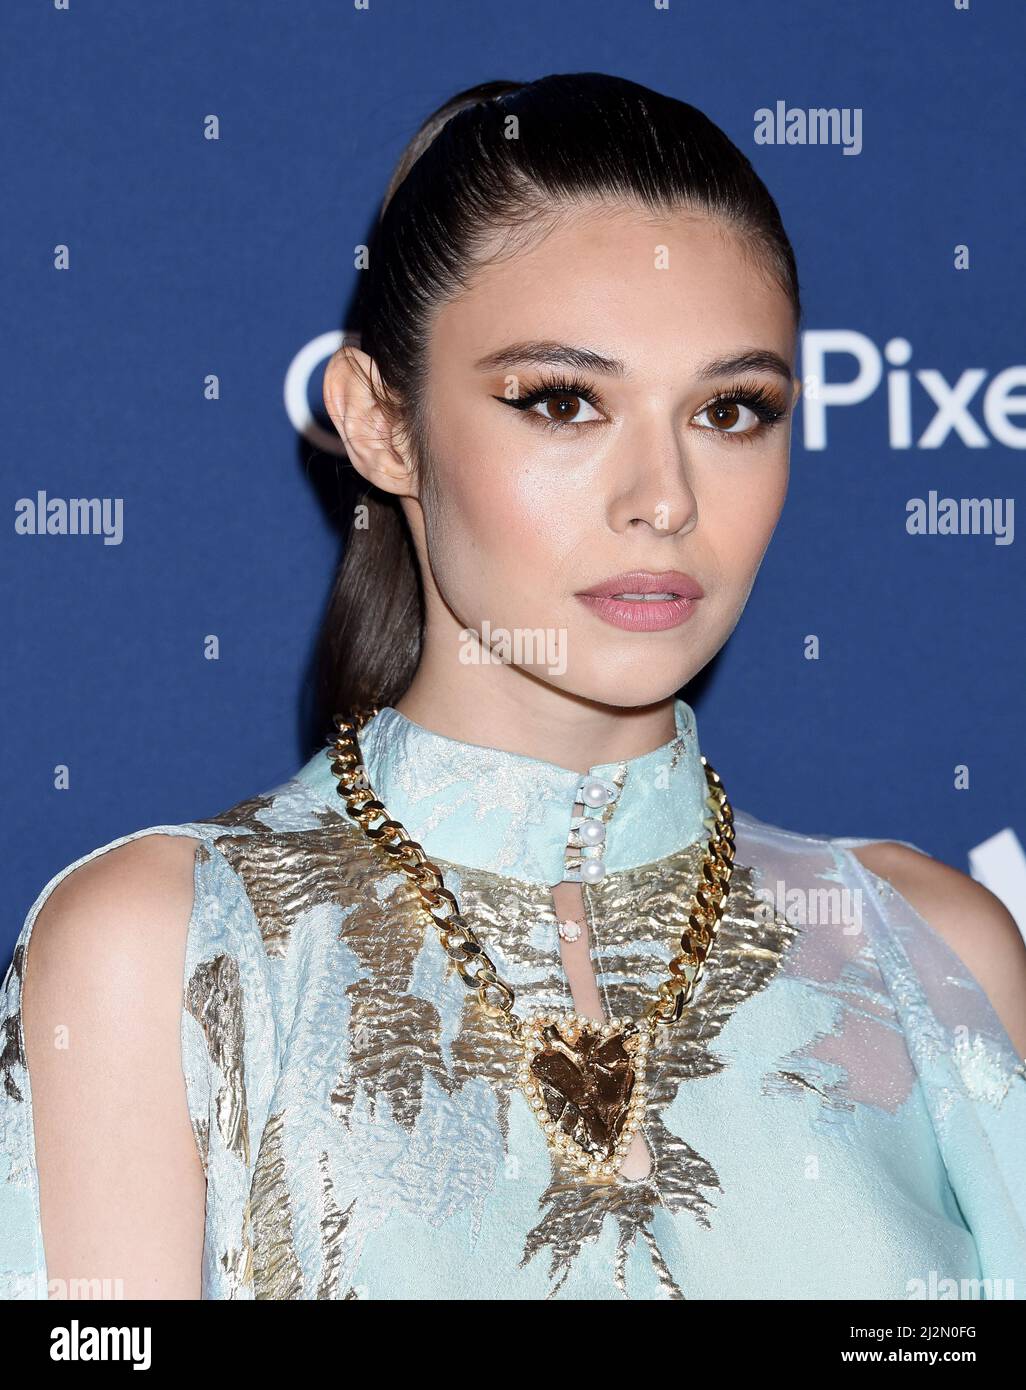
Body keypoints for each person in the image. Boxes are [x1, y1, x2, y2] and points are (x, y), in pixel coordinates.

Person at [2, 72, 1025, 1302]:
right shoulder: (164, 952)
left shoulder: (934, 951)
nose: (665, 498)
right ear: (381, 424)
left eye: (731, 410)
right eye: (561, 400)